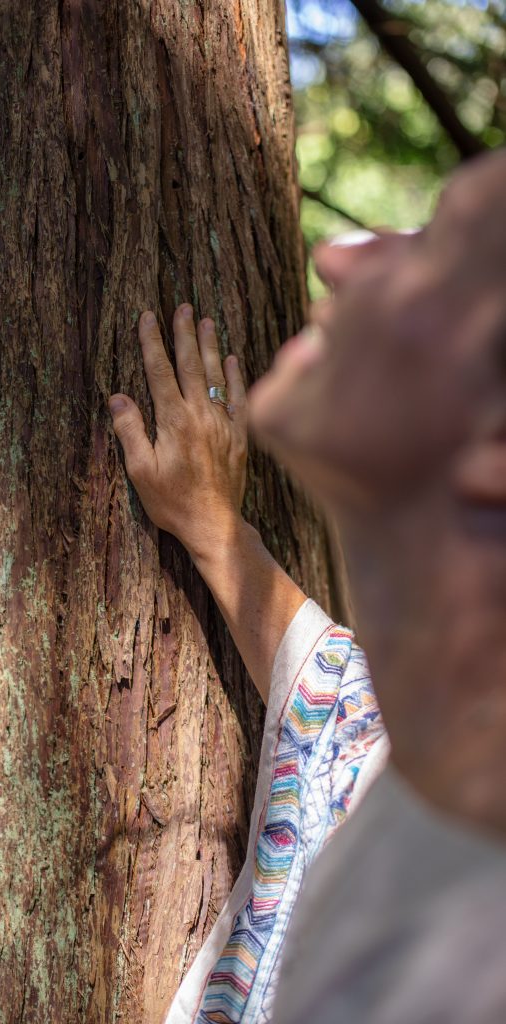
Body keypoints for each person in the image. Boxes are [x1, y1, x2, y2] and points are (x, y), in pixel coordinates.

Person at [108, 147, 506, 1024]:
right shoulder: (441, 747)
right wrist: (212, 526)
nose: (339, 253)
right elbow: (334, 703)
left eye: (436, 251)